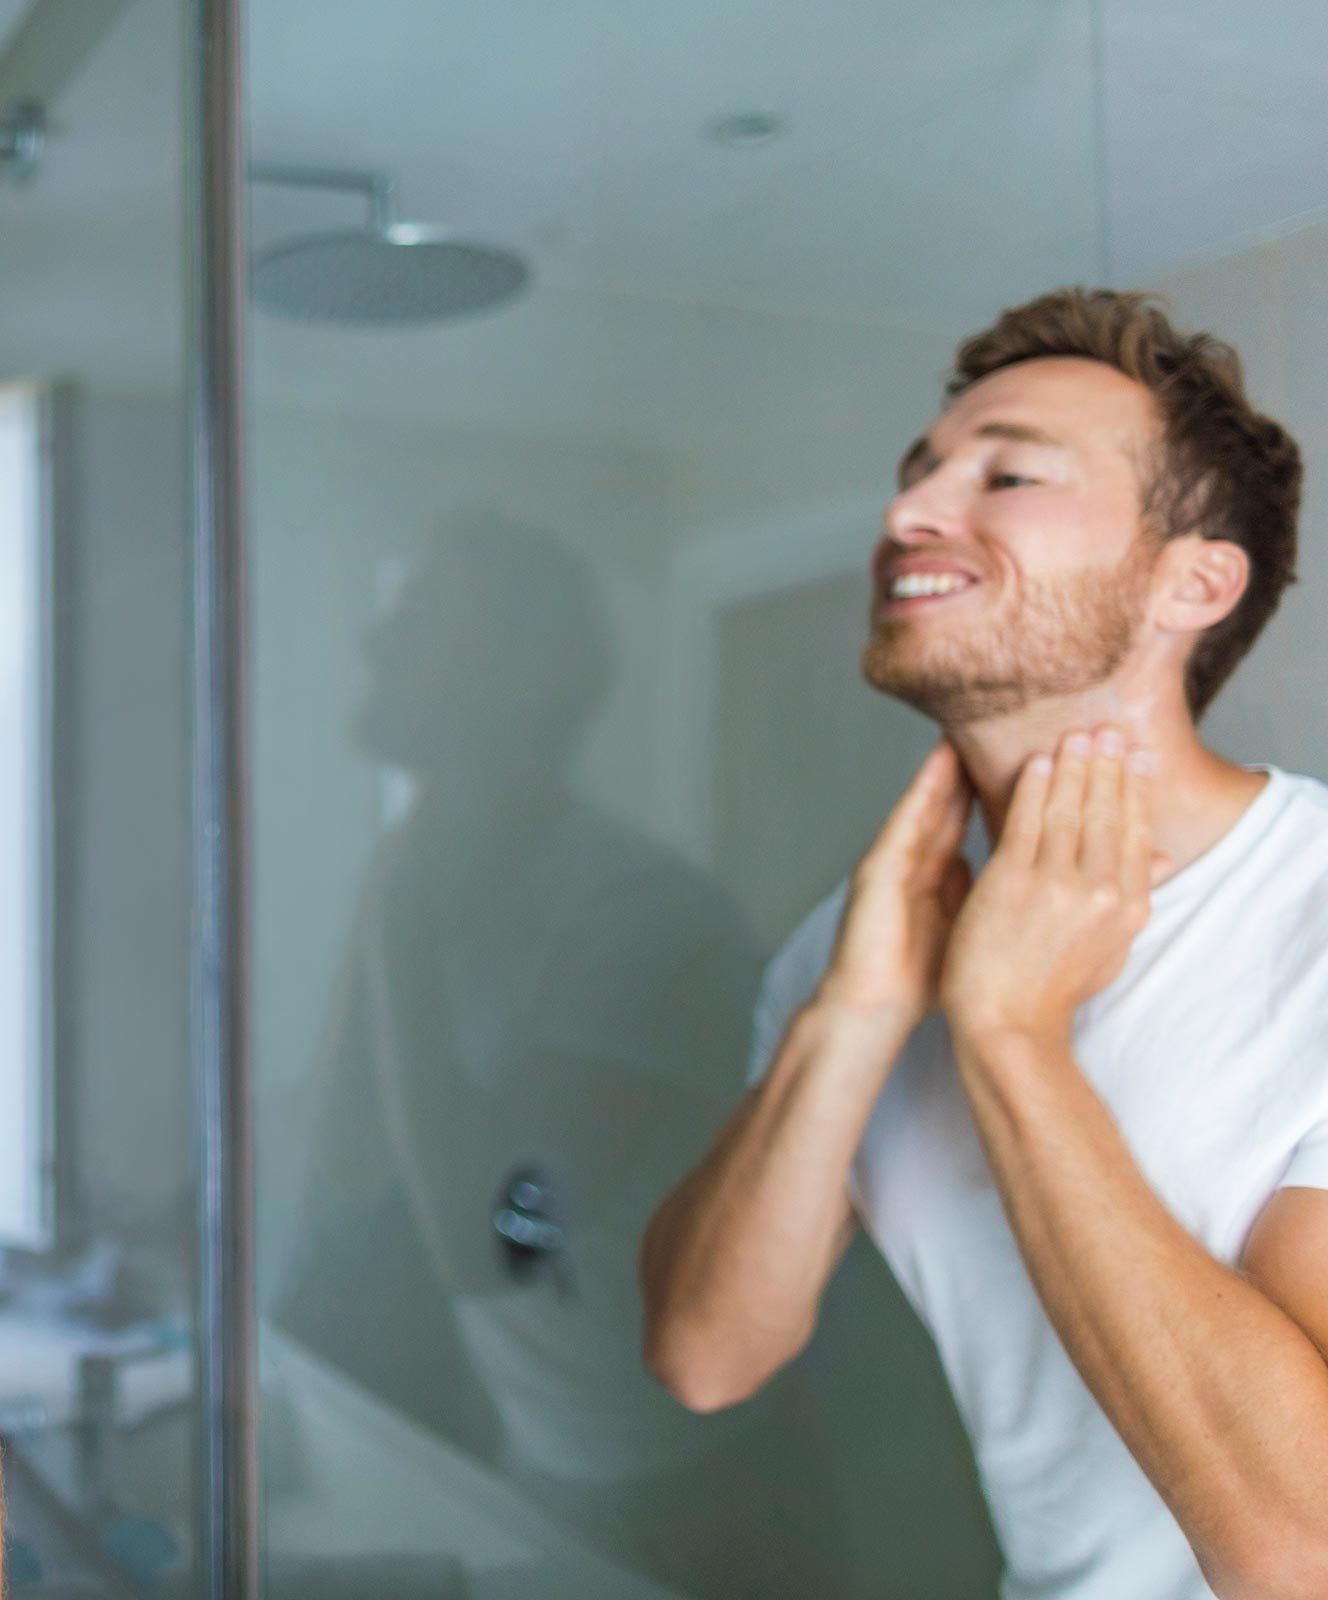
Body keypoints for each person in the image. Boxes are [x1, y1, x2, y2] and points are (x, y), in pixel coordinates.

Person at [641, 288, 1328, 1600]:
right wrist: (850, 1016)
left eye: (1007, 474)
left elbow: (1302, 1552)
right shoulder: (865, 947)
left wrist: (1012, 1036)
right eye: (921, 474)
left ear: (1195, 579)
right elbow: (704, 1352)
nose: (910, 514)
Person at [270, 520, 848, 1595]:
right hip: (544, 1446)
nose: (377, 643)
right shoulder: (430, 876)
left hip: (682, 1491)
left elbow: (495, 1243)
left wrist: (397, 926)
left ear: (525, 681)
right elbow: (348, 1169)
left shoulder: (640, 921)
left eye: (424, 619)